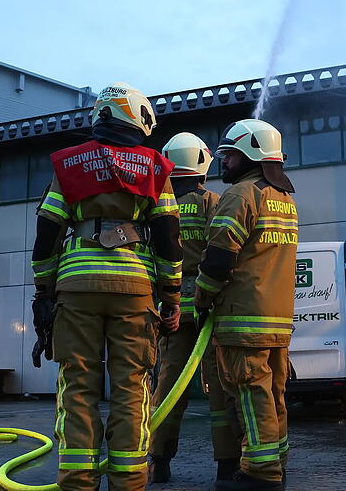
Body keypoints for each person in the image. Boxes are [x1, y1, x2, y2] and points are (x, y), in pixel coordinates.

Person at [30, 83, 182, 491]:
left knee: (78, 384)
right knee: (132, 384)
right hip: (135, 290)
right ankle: (129, 481)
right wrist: (171, 296)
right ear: (136, 118)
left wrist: (43, 291)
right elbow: (168, 238)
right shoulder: (154, 167)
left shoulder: (70, 166)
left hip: (76, 287)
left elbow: (47, 231)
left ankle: (78, 480)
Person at [194, 119, 298, 491]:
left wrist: (201, 298)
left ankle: (260, 473)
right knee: (273, 395)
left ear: (251, 155)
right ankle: (277, 464)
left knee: (251, 394)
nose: (224, 163)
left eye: (230, 156)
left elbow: (220, 257)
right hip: (278, 320)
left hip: (243, 319)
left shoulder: (241, 194)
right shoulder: (284, 199)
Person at [149, 132, 240, 484]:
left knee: (169, 385)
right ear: (202, 163)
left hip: (169, 310)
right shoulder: (214, 202)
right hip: (207, 310)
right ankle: (227, 465)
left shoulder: (157, 202)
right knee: (219, 389)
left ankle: (158, 461)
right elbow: (222, 253)